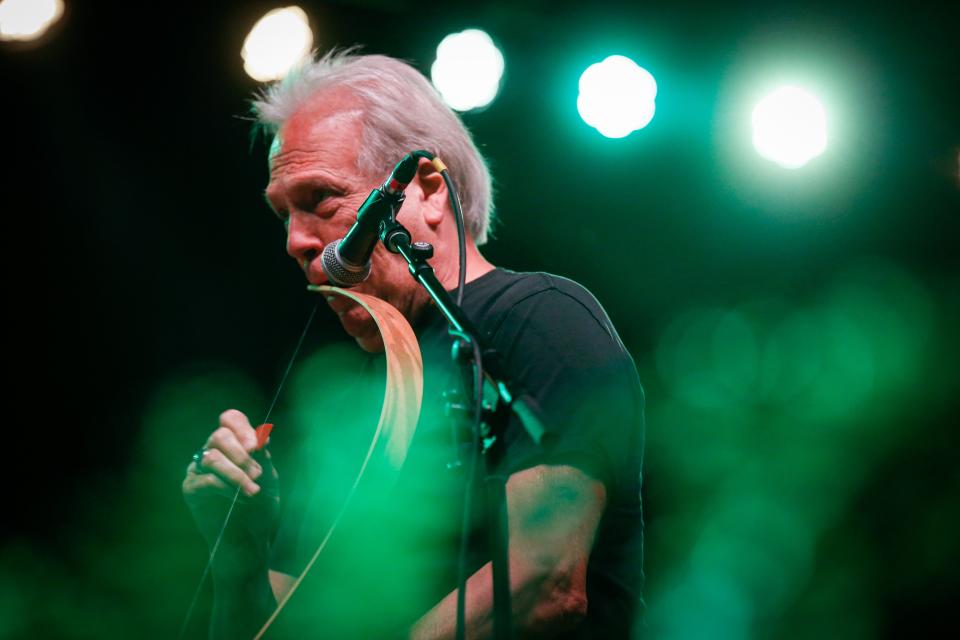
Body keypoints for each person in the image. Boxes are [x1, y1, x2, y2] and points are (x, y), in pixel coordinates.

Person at [182, 50, 645, 639]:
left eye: (320, 199)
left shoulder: (540, 317)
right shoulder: (351, 406)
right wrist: (239, 548)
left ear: (426, 190)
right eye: (283, 215)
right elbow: (301, 627)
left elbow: (546, 581)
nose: (295, 241)